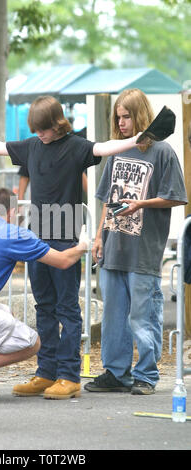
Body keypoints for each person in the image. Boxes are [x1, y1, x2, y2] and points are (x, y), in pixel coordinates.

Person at [0, 95, 142, 400]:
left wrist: (140, 138)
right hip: (37, 238)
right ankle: (46, 372)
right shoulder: (33, 145)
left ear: (57, 124)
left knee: (68, 309)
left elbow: (103, 148)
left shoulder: (76, 146)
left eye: (43, 129)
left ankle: (69, 375)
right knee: (44, 307)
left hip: (65, 234)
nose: (39, 135)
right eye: (35, 130)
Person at [83, 88, 187, 395]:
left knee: (143, 315)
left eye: (127, 116)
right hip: (114, 245)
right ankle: (117, 373)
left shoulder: (163, 152)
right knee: (114, 314)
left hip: (143, 249)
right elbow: (106, 197)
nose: (122, 122)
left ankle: (146, 374)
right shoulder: (117, 150)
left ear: (140, 114)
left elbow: (176, 197)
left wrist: (141, 204)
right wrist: (99, 235)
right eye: (118, 117)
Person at [0, 187, 91, 404]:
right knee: (31, 343)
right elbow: (63, 261)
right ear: (12, 212)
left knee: (1, 312)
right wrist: (82, 246)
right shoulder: (10, 232)